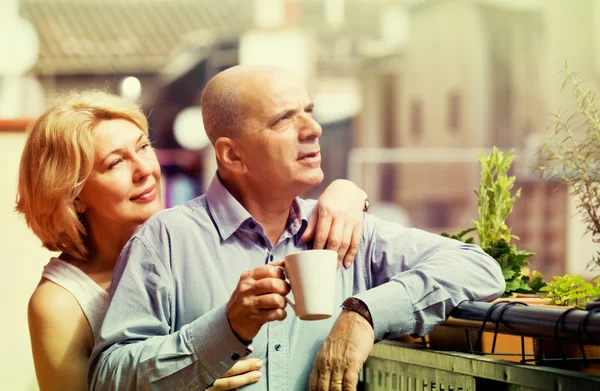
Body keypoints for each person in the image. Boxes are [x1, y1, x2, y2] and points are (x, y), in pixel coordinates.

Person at [89, 65, 505, 391]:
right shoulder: (165, 241)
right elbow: (107, 379)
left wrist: (365, 314)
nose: (314, 129)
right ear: (232, 155)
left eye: (310, 111)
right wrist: (224, 329)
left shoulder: (344, 229)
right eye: (284, 119)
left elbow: (479, 269)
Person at [16, 90, 368, 391]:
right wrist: (188, 377)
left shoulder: (187, 237)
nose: (144, 170)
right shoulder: (59, 304)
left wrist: (347, 194)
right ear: (73, 194)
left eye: (143, 147)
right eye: (115, 163)